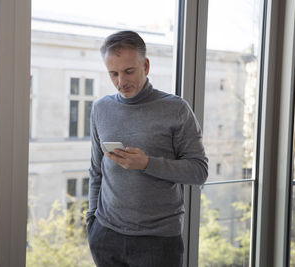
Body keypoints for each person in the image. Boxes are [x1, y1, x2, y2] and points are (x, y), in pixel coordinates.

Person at [86, 30, 208, 267]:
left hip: (158, 242)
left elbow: (199, 171)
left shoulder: (176, 109)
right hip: (106, 235)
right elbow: (95, 170)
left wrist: (146, 164)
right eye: (113, 73)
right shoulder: (101, 109)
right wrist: (92, 222)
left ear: (146, 65)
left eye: (129, 71)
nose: (121, 82)